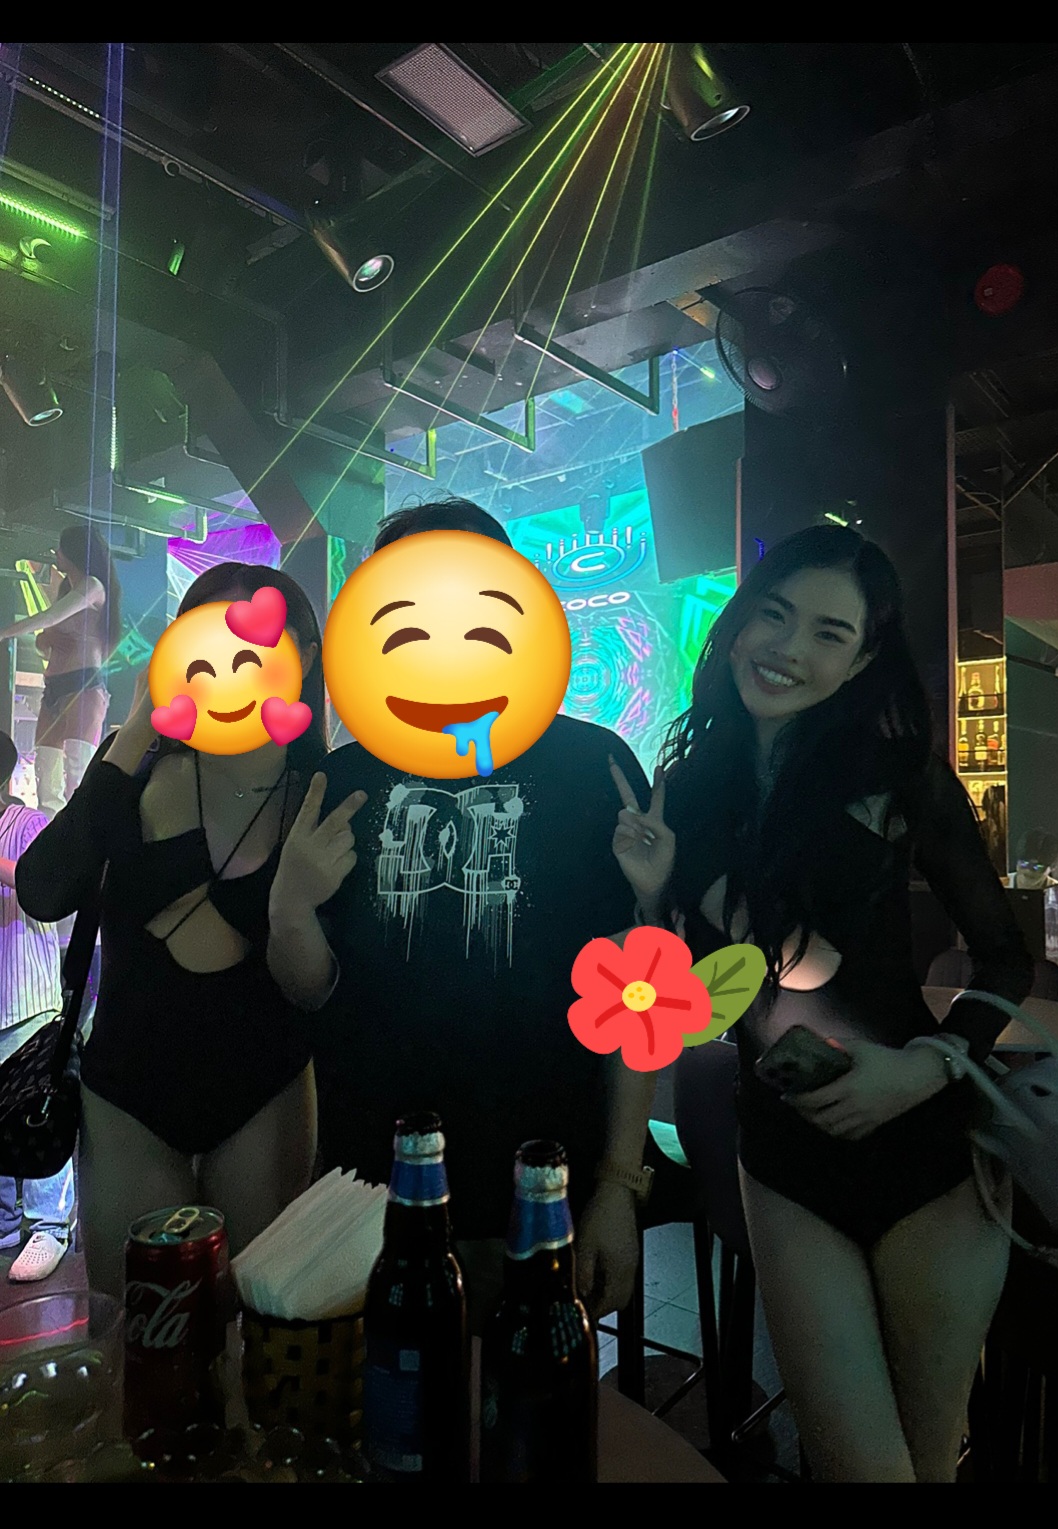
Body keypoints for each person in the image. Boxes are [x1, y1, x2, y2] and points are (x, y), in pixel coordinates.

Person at [610, 525, 1033, 1484]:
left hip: (928, 1155)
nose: (788, 648)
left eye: (828, 633)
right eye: (774, 614)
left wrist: (926, 1065)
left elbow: (1006, 954)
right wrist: (653, 896)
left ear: (864, 657)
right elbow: (691, 993)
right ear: (738, 621)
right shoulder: (688, 788)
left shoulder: (899, 780)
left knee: (925, 1460)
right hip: (785, 1160)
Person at [267, 499, 656, 1331]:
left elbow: (636, 994)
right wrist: (290, 905)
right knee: (390, 1398)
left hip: (546, 1179)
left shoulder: (596, 766)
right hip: (374, 1187)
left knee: (533, 1398)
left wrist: (620, 1183)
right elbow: (309, 989)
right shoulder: (344, 776)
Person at [15, 563, 357, 1301]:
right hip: (127, 1090)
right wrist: (141, 723)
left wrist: (293, 907)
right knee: (131, 1325)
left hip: (265, 1087)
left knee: (257, 1323)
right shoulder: (134, 764)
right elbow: (44, 888)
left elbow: (321, 985)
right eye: (201, 640)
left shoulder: (321, 790)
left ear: (302, 655)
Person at [0, 730, 76, 1281]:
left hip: (26, 997)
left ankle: (49, 1225)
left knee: (40, 1106)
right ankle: (5, 1224)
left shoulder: (30, 824)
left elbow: (53, 896)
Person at [0, 524, 123, 818]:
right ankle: (49, 836)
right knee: (46, 771)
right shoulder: (67, 590)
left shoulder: (93, 586)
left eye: (61, 548)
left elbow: (49, 617)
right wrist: (48, 639)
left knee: (76, 775)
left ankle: (77, 838)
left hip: (83, 685)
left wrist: (4, 633)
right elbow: (45, 640)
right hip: (54, 687)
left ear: (75, 552)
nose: (56, 553)